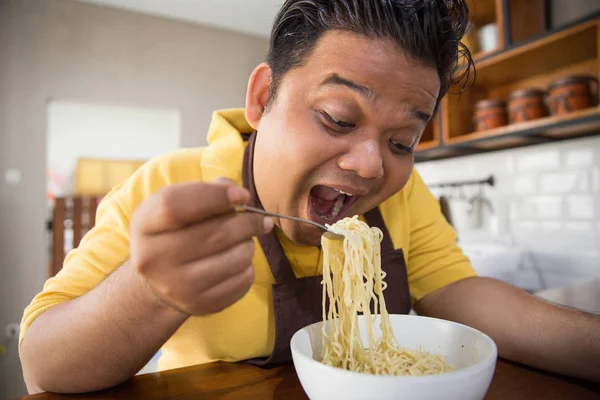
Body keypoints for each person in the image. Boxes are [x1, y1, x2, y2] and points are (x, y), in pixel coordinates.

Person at [19, 0, 600, 394]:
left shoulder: (403, 193)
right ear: (263, 96)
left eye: (402, 140)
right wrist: (149, 292)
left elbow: (458, 292)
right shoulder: (167, 187)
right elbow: (42, 362)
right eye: (338, 118)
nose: (372, 165)